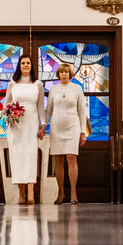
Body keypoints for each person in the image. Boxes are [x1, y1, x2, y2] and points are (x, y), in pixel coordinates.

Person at [40, 63, 88, 204]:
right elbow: (48, 110)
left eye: (67, 72)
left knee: (71, 158)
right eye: (61, 72)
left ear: (70, 74)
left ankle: (73, 192)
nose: (64, 74)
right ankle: (61, 193)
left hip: (72, 126)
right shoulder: (53, 89)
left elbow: (82, 111)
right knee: (58, 160)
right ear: (58, 74)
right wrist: (43, 126)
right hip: (56, 127)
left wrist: (83, 132)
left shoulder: (77, 88)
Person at [3, 54, 43, 205]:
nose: (26, 65)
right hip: (16, 125)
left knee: (30, 155)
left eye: (28, 63)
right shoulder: (12, 83)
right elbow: (5, 105)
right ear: (19, 66)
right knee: (18, 156)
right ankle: (21, 193)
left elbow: (40, 106)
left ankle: (31, 193)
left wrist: (43, 124)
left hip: (32, 123)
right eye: (23, 63)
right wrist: (10, 113)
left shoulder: (37, 84)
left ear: (32, 66)